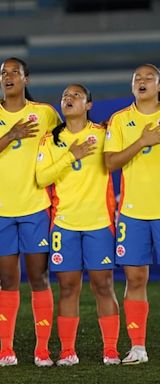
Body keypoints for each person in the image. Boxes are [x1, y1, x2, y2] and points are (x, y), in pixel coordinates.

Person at [0, 57, 61, 367]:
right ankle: (6, 350)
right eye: (3, 73)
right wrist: (11, 135)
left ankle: (42, 350)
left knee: (39, 278)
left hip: (37, 208)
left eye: (14, 72)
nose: (8, 77)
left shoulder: (45, 114)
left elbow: (66, 142)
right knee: (7, 281)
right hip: (1, 211)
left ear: (26, 79)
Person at [36, 84, 120, 366]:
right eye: (64, 96)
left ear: (89, 105)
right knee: (68, 288)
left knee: (103, 285)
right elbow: (41, 177)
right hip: (65, 224)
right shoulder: (50, 140)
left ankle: (110, 350)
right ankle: (67, 351)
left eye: (76, 96)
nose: (68, 99)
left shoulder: (102, 134)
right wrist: (72, 155)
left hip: (99, 223)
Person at [104, 63, 160, 365]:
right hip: (133, 212)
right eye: (137, 78)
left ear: (158, 86)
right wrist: (142, 142)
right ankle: (138, 347)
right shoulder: (120, 120)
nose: (142, 81)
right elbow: (110, 163)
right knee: (136, 278)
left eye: (149, 78)